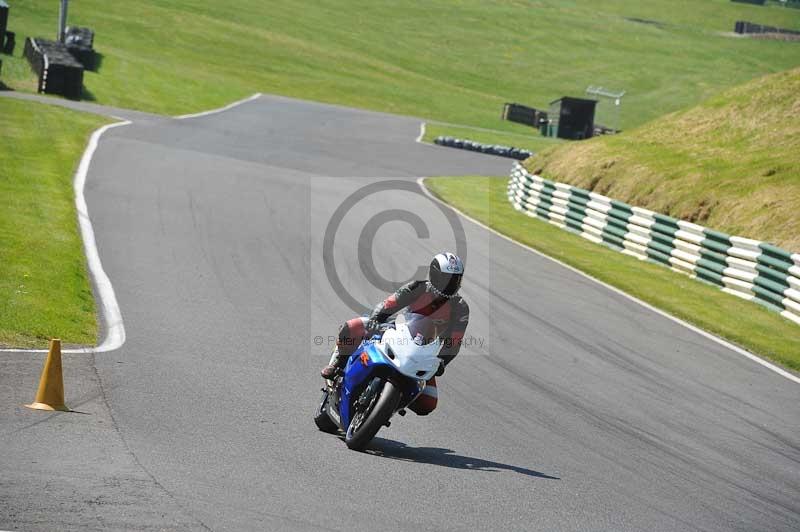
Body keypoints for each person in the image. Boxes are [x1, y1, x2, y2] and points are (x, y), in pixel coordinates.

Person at [320, 252, 469, 415]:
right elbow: (388, 303)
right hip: (397, 332)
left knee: (428, 403)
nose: (450, 284)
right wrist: (376, 318)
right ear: (435, 275)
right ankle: (337, 365)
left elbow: (454, 342)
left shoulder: (460, 307)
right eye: (447, 278)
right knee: (352, 326)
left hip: (424, 352)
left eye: (455, 279)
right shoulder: (418, 287)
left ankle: (390, 404)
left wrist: (442, 361)